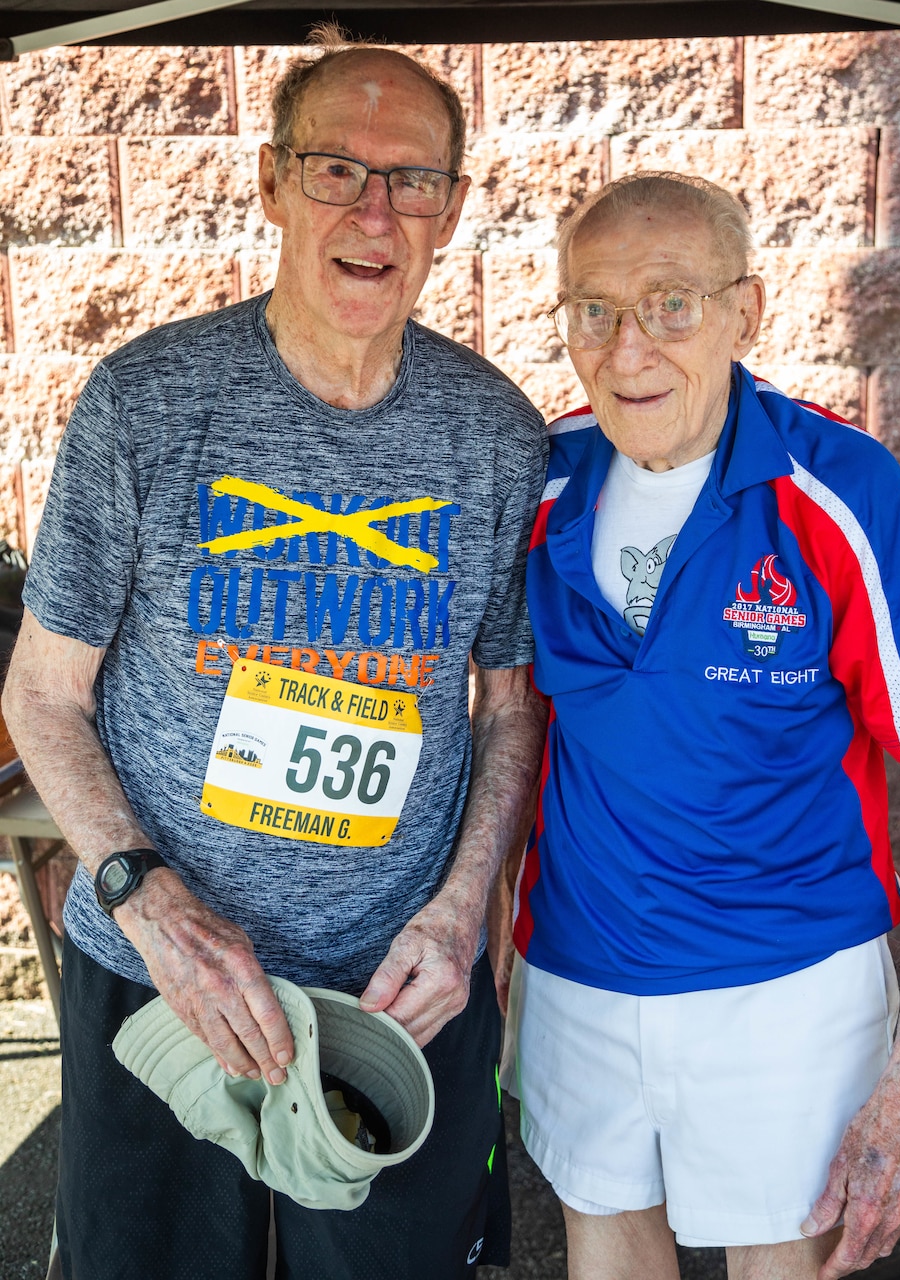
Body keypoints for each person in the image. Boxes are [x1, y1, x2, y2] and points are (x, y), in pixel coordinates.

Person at [2, 26, 548, 1280]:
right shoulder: (144, 401)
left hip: (395, 990)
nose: (376, 209)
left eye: (412, 179)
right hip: (161, 971)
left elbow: (509, 708)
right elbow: (42, 692)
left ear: (452, 210)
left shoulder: (497, 436)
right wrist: (150, 897)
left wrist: (464, 909)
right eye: (335, 169)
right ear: (268, 183)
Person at [506, 171, 900, 1280]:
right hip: (579, 970)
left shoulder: (838, 491)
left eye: (672, 302)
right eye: (593, 308)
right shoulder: (544, 478)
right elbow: (510, 741)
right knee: (606, 1249)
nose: (628, 347)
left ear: (746, 311)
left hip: (787, 994)